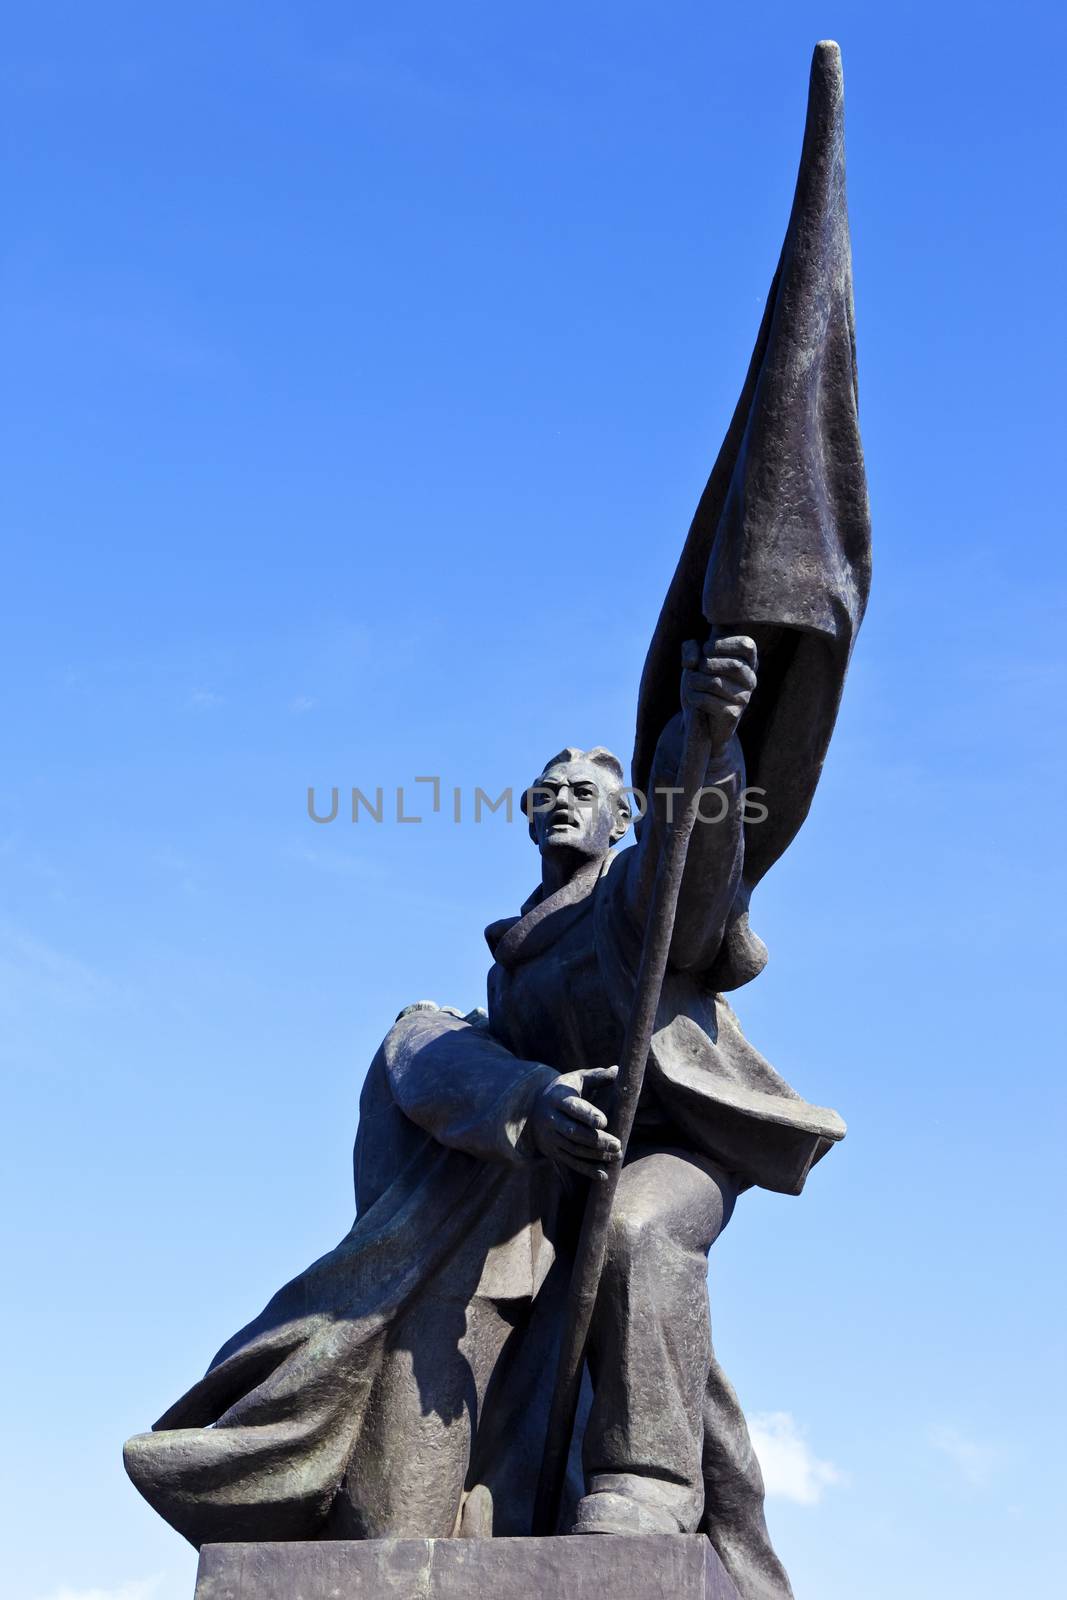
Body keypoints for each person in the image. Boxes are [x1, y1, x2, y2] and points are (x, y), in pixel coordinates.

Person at [125, 636, 845, 1600]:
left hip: (675, 1148)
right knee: (478, 1310)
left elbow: (697, 869)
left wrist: (700, 744)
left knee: (635, 1232)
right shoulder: (508, 966)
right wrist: (529, 1101)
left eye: (585, 793)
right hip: (550, 1171)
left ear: (621, 820)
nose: (560, 800)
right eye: (545, 789)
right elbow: (448, 1063)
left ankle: (649, 1483)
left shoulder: (634, 895)